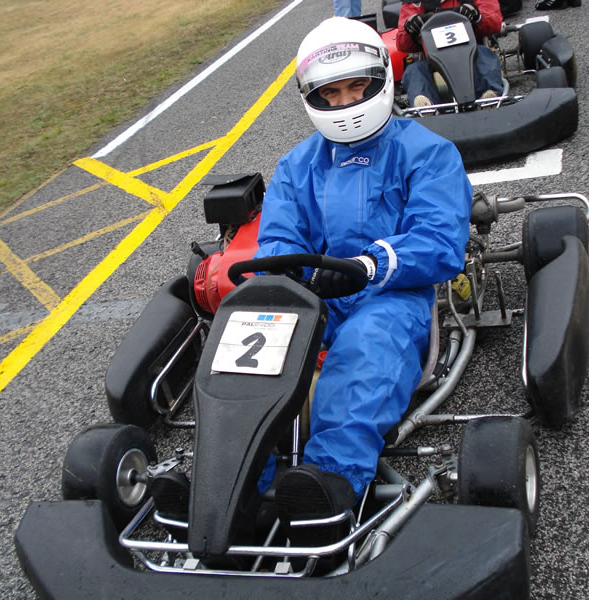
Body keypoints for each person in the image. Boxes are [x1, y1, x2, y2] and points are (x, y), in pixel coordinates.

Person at [253, 17, 472, 543]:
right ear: (313, 97)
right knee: (254, 344)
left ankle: (329, 486)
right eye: (332, 92)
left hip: (392, 293)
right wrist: (302, 278)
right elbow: (279, 242)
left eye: (357, 87)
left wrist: (373, 264)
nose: (347, 102)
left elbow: (440, 240)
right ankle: (241, 487)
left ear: (382, 83)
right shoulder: (296, 166)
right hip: (320, 296)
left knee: (366, 350)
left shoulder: (427, 153)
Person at [397, 0, 504, 106]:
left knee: (485, 55)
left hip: (472, 55)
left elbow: (494, 19)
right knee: (414, 70)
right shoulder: (415, 3)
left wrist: (477, 16)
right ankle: (426, 106)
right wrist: (410, 27)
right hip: (434, 62)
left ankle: (490, 97)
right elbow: (402, 43)